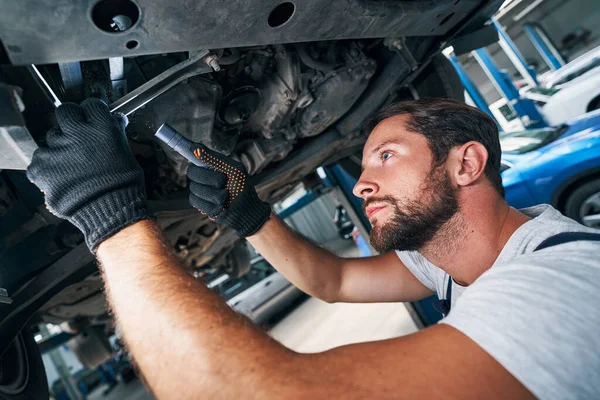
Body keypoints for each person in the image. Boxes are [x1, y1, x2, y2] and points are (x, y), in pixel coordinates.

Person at [27, 98, 600, 399]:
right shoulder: (453, 260)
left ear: (467, 163)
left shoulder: (566, 279)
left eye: (387, 156)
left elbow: (248, 394)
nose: (360, 183)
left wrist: (110, 216)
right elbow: (335, 281)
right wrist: (248, 215)